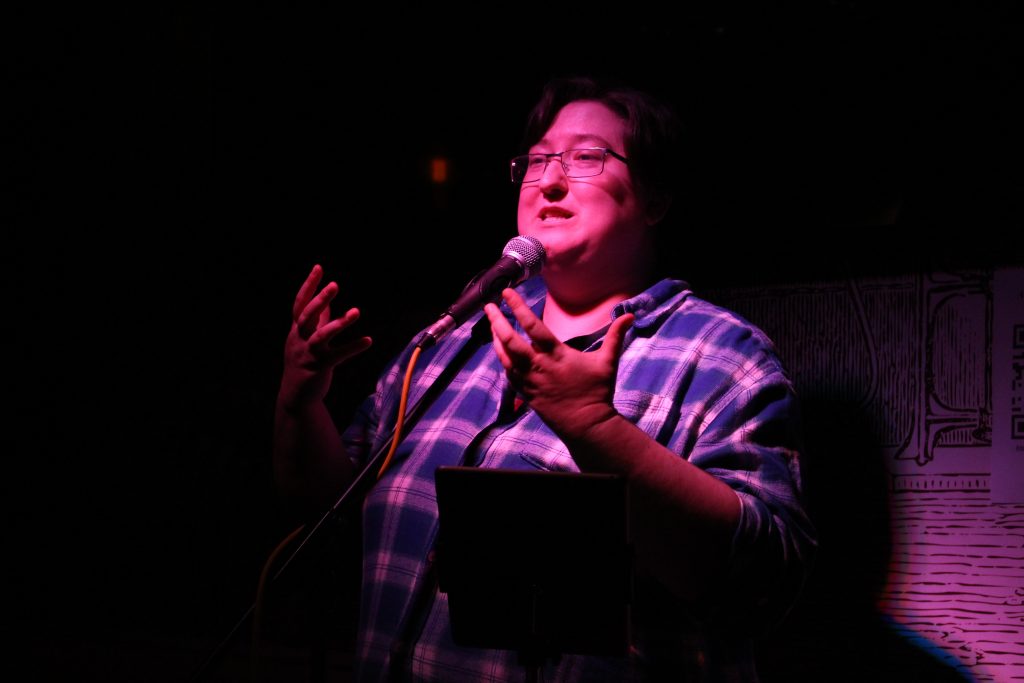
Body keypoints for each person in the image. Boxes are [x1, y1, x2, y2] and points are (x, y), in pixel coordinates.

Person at [273, 76, 817, 682]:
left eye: (587, 157)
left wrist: (595, 428)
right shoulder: (451, 341)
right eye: (537, 161)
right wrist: (300, 403)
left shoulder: (719, 356)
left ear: (655, 198)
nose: (550, 181)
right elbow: (329, 510)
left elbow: (763, 582)